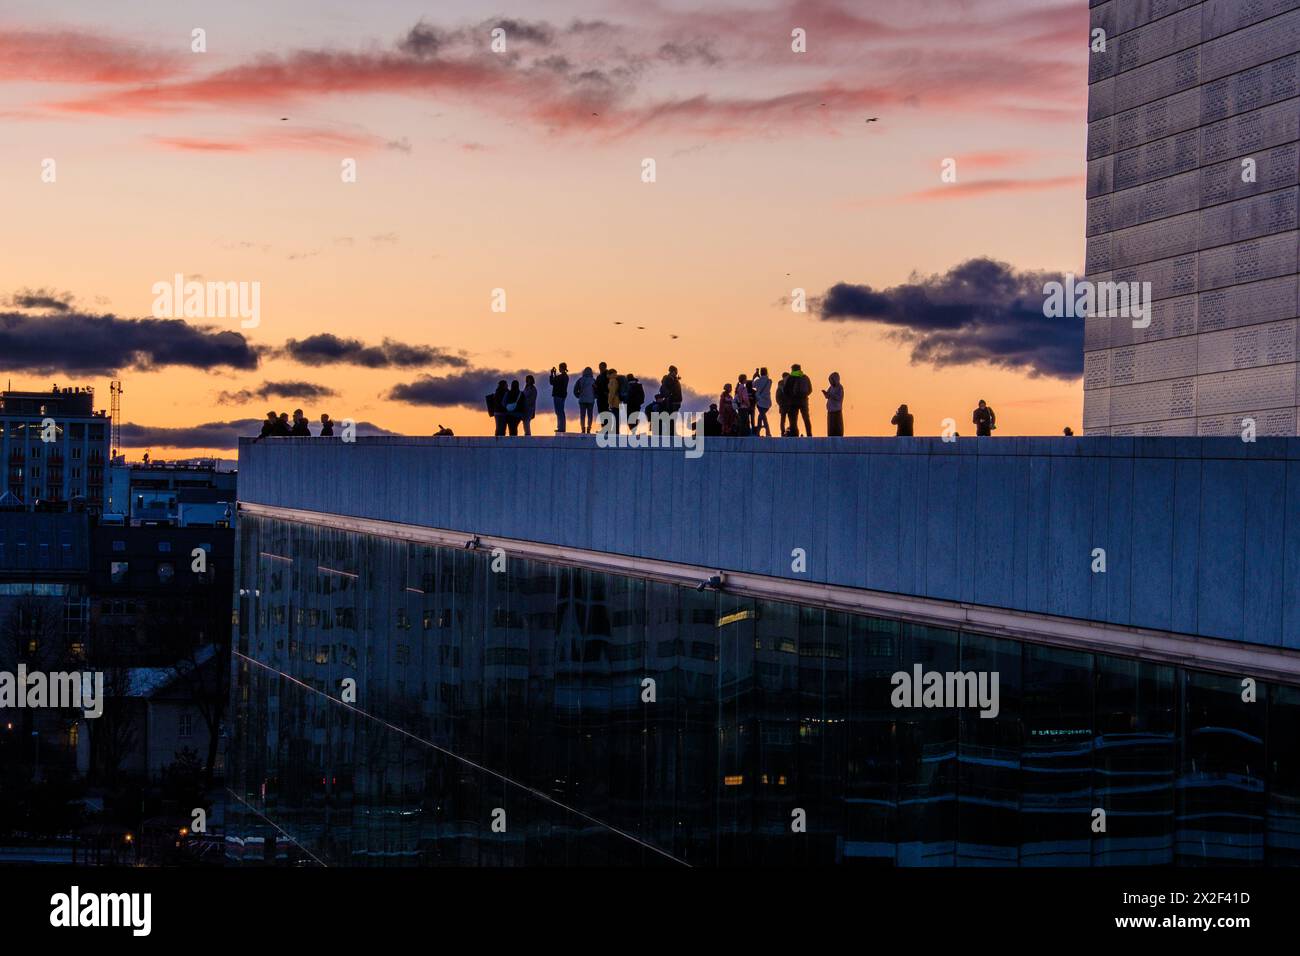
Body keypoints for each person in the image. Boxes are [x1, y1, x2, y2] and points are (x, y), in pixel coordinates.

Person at [788, 364, 812, 436]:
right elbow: (810, 389)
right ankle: (809, 434)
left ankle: (794, 435)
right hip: (804, 401)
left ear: (793, 370)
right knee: (806, 419)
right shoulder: (805, 377)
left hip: (793, 402)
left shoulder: (791, 378)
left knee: (793, 420)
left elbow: (785, 389)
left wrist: (790, 396)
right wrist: (804, 395)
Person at [574, 366, 597, 433]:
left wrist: (578, 396)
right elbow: (596, 390)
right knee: (590, 415)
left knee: (582, 415)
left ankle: (583, 429)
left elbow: (575, 390)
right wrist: (594, 397)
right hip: (591, 400)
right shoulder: (593, 380)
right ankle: (589, 429)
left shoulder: (580, 380)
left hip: (582, 400)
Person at [549, 363, 569, 433]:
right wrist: (554, 374)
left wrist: (552, 374)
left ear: (562, 368)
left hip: (558, 395)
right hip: (562, 395)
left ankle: (561, 428)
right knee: (560, 412)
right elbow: (554, 382)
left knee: (559, 412)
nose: (559, 369)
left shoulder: (562, 376)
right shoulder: (565, 376)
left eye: (560, 368)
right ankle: (561, 427)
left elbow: (552, 382)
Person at [823, 372, 844, 437]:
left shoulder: (840, 388)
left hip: (837, 410)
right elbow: (827, 396)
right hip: (830, 411)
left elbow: (839, 397)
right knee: (830, 427)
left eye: (832, 380)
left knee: (837, 427)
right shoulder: (831, 387)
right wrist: (825, 393)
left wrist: (831, 395)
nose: (831, 382)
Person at [753, 367, 772, 436]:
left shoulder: (757, 381)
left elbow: (753, 385)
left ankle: (768, 432)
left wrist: (755, 377)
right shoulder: (769, 381)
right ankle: (758, 432)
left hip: (760, 402)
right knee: (760, 416)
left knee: (763, 417)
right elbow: (765, 381)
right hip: (767, 403)